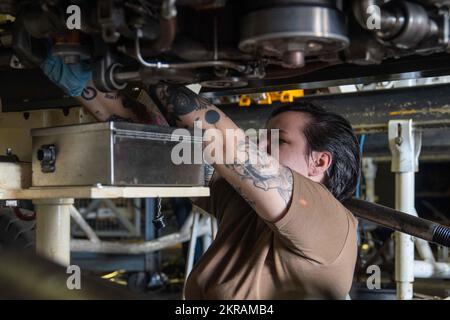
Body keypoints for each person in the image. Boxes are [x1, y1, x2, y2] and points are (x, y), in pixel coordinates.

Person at [41, 54, 360, 300]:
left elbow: (231, 147)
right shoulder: (247, 208)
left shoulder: (332, 222)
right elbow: (160, 142)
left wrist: (151, 68)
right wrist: (86, 86)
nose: (260, 146)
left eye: (277, 140)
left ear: (320, 162)